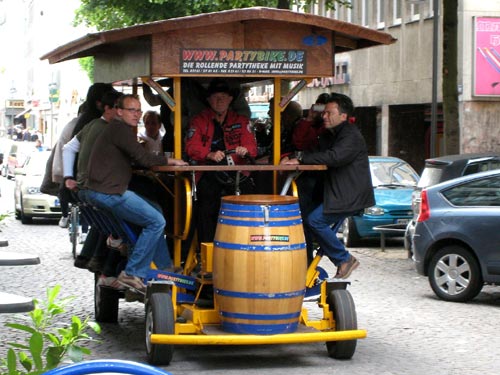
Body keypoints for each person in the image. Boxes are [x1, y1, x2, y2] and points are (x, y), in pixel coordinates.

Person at [74, 94, 188, 292]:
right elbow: (143, 158)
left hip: (102, 190)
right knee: (156, 221)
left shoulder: (117, 129)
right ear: (119, 111)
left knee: (155, 209)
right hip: (108, 192)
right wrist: (172, 161)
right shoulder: (120, 129)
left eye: (138, 110)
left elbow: (135, 156)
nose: (136, 114)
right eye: (131, 110)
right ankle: (133, 272)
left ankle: (164, 266)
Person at [282, 93, 374, 279]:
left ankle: (344, 258)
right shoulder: (332, 134)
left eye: (329, 113)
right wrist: (294, 156)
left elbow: (334, 157)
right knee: (307, 217)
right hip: (336, 193)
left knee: (315, 220)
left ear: (343, 116)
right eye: (323, 113)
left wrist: (299, 158)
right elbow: (316, 151)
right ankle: (309, 262)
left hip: (348, 196)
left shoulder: (350, 135)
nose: (324, 116)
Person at [185, 78, 257, 244]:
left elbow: (252, 147)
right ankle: (207, 252)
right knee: (205, 206)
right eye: (215, 97)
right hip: (208, 173)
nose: (219, 100)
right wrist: (209, 154)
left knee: (250, 200)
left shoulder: (241, 120)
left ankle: (244, 244)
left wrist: (244, 150)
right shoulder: (199, 120)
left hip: (238, 174)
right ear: (208, 100)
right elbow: (191, 147)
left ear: (230, 99)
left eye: (223, 97)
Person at [63, 91, 124, 272]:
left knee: (108, 216)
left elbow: (68, 148)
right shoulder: (109, 129)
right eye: (118, 108)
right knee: (149, 217)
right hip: (100, 188)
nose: (121, 112)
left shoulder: (91, 125)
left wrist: (68, 177)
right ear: (107, 108)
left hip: (86, 188)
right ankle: (113, 265)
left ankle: (92, 256)